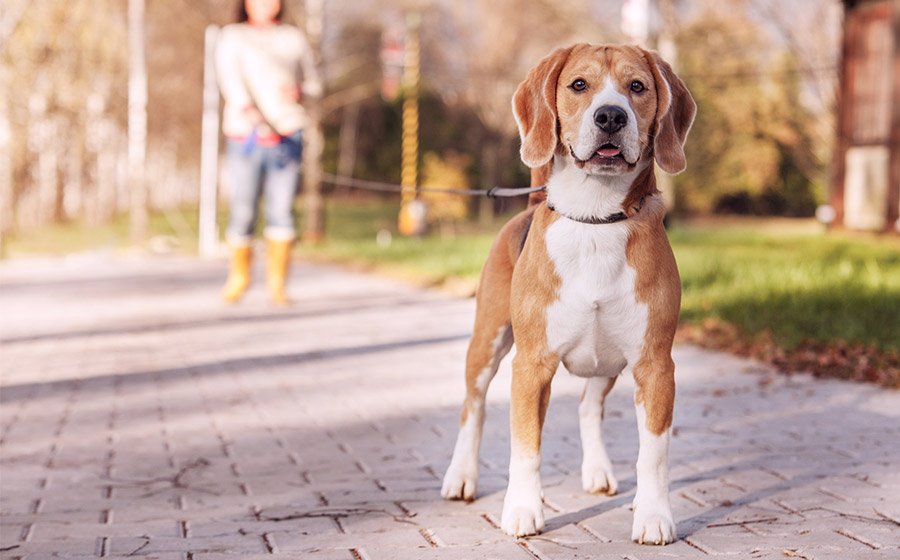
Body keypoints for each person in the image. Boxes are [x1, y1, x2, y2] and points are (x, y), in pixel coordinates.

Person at [216, 0, 321, 305]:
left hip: (288, 134)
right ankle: (239, 277)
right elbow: (230, 81)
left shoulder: (294, 38)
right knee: (244, 208)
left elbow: (315, 83)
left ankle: (278, 284)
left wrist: (301, 91)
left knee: (282, 209)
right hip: (245, 134)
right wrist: (252, 116)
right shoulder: (232, 36)